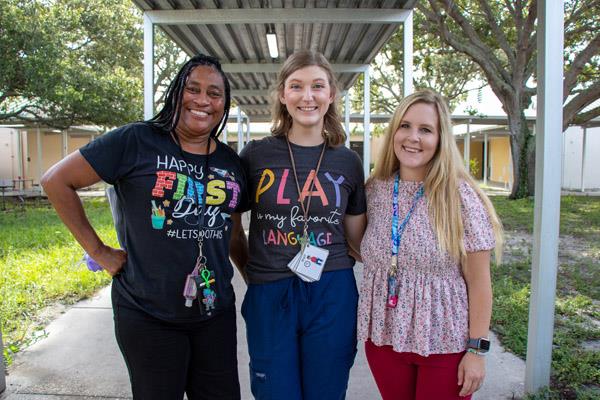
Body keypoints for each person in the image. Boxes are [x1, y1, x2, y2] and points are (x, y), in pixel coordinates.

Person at [41, 54, 248, 400]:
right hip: (148, 312)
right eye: (192, 89)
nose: (202, 100)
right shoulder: (136, 141)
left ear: (224, 105)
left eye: (214, 94)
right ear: (175, 92)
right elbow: (56, 181)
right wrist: (98, 251)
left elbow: (234, 232)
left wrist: (256, 284)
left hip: (215, 312)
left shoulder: (230, 162)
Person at [358, 89, 503, 400]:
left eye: (425, 129)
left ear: (440, 139)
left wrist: (477, 351)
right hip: (385, 339)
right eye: (405, 126)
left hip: (445, 342)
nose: (413, 137)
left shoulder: (460, 196)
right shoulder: (374, 190)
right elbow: (361, 248)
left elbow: (479, 283)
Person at [239, 50, 366, 400]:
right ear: (282, 94)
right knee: (274, 391)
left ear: (331, 95)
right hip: (270, 289)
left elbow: (357, 239)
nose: (307, 96)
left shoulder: (348, 162)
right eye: (296, 86)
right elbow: (234, 226)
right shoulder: (255, 155)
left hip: (333, 289)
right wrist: (252, 273)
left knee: (326, 391)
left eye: (317, 86)